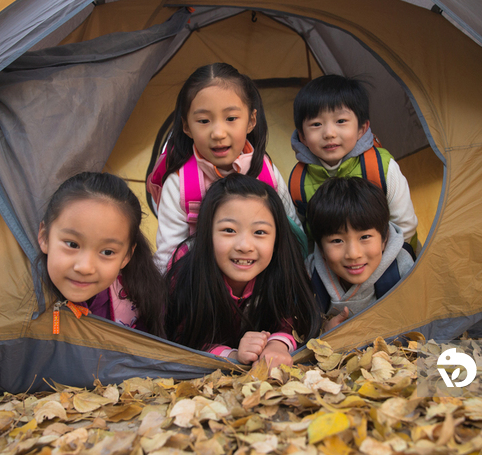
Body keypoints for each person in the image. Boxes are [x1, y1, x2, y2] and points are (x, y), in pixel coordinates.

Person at [147, 62, 303, 272]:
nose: (218, 133)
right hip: (202, 289)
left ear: (251, 120)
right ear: (186, 127)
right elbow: (168, 257)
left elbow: (293, 232)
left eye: (231, 118)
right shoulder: (179, 185)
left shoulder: (266, 173)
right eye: (203, 121)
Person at [165, 174, 321, 368]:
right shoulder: (187, 272)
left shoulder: (284, 269)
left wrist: (277, 345)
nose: (245, 246)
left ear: (277, 238)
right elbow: (181, 338)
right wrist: (232, 354)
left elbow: (293, 321)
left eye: (260, 232)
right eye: (229, 230)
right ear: (207, 233)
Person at [288, 74, 418, 252]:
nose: (329, 133)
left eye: (341, 121)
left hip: (389, 263)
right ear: (302, 136)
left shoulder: (380, 167)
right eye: (316, 124)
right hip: (329, 270)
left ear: (361, 129)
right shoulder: (298, 181)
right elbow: (304, 238)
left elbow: (405, 226)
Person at [37, 172, 165, 336]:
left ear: (126, 256)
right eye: (72, 244)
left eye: (107, 252)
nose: (85, 267)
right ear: (44, 237)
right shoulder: (17, 301)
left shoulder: (140, 301)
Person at [305, 177, 414, 331]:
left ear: (385, 239)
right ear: (320, 248)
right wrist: (324, 333)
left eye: (365, 237)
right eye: (337, 240)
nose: (353, 254)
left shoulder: (402, 268)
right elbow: (298, 326)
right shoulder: (310, 275)